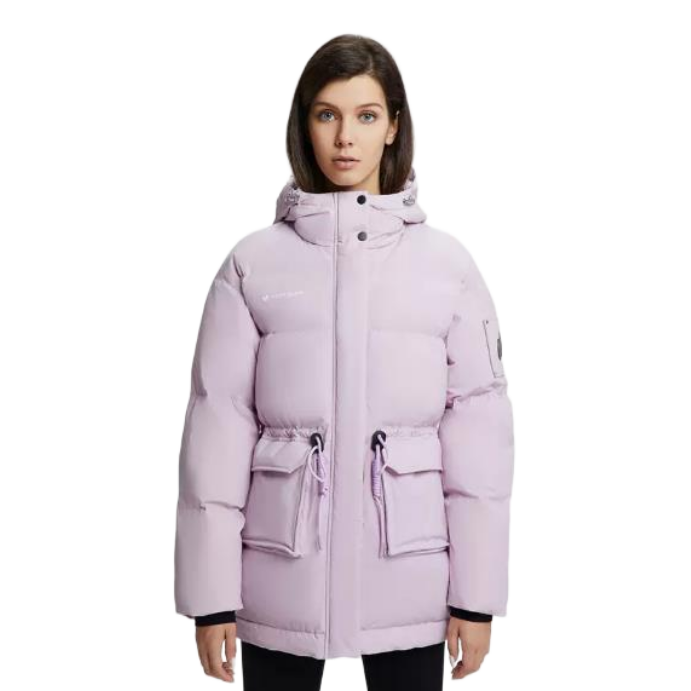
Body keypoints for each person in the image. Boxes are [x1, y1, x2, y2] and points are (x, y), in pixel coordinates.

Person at [174, 34, 515, 689]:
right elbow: (216, 432)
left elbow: (480, 445)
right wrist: (210, 599)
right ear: (304, 124)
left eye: (365, 115)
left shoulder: (447, 267)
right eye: (326, 114)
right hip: (278, 577)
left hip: (409, 577)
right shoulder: (252, 265)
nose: (344, 137)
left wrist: (476, 599)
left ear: (393, 126)